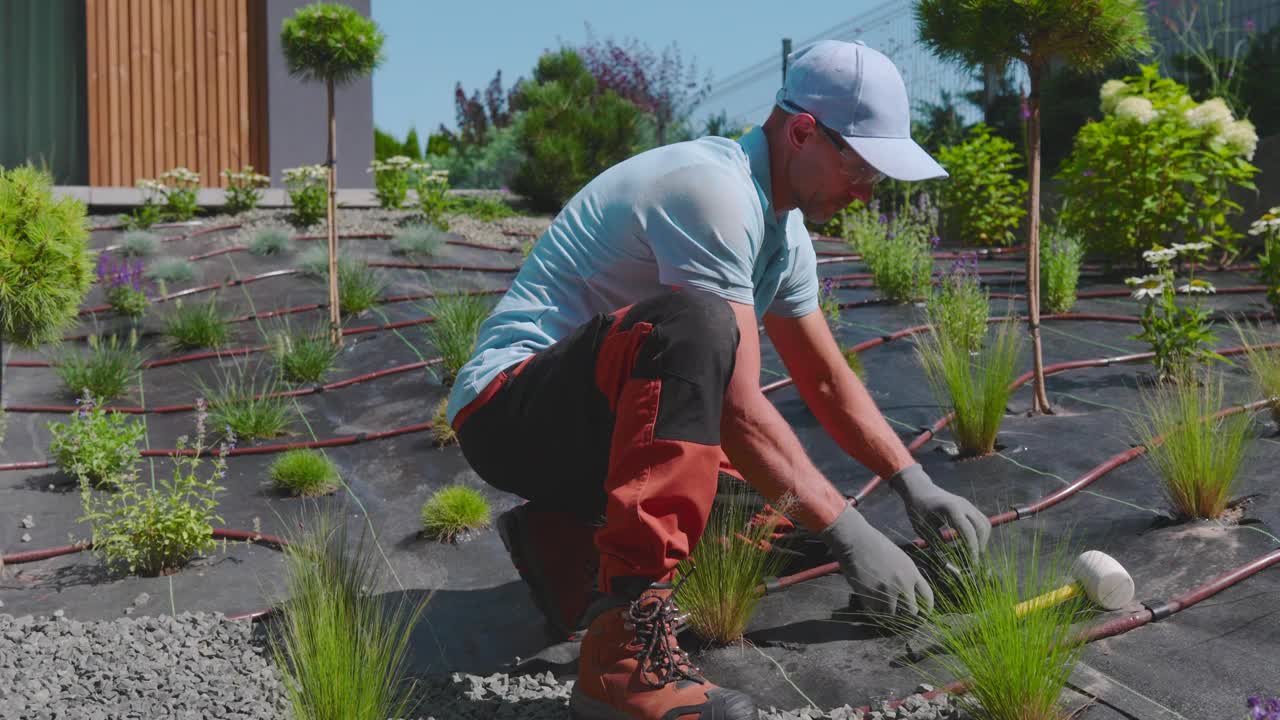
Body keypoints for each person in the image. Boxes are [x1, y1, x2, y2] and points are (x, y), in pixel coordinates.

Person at [446, 39, 991, 720]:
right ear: (801, 132)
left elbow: (824, 381)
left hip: (595, 424)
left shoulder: (783, 233)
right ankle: (622, 663)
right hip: (509, 412)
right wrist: (852, 533)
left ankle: (563, 544)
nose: (868, 189)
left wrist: (913, 483)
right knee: (699, 326)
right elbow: (736, 406)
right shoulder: (711, 191)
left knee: (770, 522)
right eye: (862, 166)